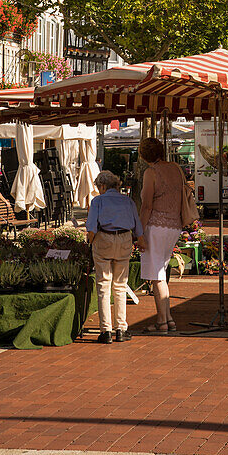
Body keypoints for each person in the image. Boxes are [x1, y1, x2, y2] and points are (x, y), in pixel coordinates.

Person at [86, 169, 145, 343]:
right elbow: (138, 227)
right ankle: (121, 328)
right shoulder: (127, 201)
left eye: (98, 187)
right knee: (120, 285)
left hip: (104, 239)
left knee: (103, 285)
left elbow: (91, 228)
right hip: (125, 239)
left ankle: (106, 331)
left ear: (102, 186)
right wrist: (141, 242)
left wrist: (89, 244)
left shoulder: (98, 201)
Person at [139, 135, 187, 333]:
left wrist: (139, 231)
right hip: (174, 225)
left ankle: (161, 321)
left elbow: (147, 204)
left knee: (156, 275)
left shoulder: (151, 172)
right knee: (161, 270)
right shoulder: (175, 168)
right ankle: (168, 318)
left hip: (156, 225)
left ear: (143, 155)